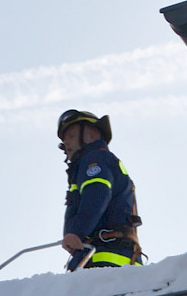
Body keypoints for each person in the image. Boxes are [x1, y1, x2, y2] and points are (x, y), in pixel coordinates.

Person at [58, 109, 143, 269]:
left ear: (90, 134)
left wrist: (77, 232)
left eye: (71, 135)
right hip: (111, 258)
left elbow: (96, 194)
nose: (66, 142)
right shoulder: (97, 161)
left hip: (106, 259)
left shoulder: (94, 159)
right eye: (64, 139)